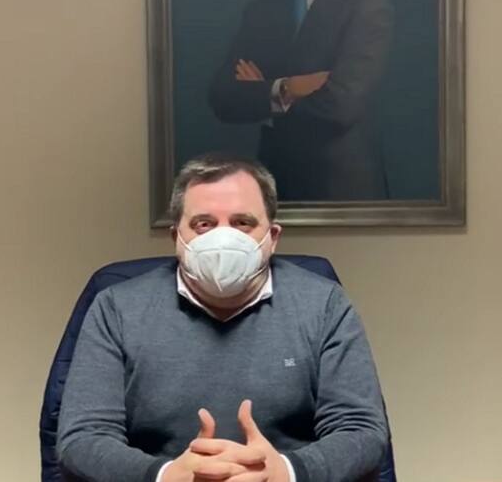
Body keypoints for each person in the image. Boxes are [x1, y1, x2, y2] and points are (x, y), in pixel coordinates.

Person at [57, 154, 389, 482]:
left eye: (242, 223)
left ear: (272, 237)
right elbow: (83, 438)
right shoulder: (116, 309)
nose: (224, 238)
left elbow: (361, 431)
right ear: (176, 238)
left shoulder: (324, 305)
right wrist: (165, 475)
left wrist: (286, 472)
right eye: (204, 224)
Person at [208, 0, 394, 201]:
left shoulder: (366, 4)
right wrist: (290, 87)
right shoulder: (263, 9)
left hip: (339, 190)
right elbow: (224, 97)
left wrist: (265, 93)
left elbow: (340, 106)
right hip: (276, 182)